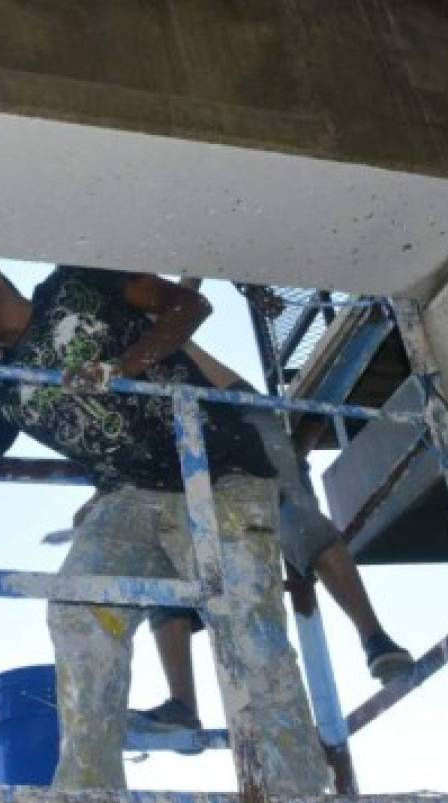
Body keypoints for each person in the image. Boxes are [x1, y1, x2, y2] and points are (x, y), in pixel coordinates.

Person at [0, 262, 328, 795]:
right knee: (77, 610)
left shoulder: (74, 286)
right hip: (130, 496)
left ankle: (297, 795)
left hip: (220, 472)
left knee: (249, 629)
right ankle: (91, 793)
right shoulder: (1, 387)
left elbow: (188, 305)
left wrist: (122, 367)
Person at [126, 293, 413, 736]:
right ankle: (182, 704)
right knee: (160, 562)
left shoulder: (122, 318)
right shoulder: (72, 367)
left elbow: (185, 297)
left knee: (296, 519)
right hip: (182, 449)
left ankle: (375, 638)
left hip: (236, 413)